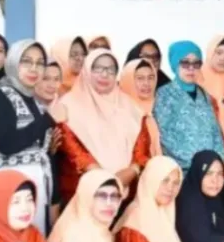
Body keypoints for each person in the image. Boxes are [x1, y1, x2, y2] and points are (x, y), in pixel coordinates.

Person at [0, 39, 66, 232]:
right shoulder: (0, 96)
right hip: (11, 190)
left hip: (36, 189)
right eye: (27, 61)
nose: (34, 68)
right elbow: (7, 144)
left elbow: (41, 154)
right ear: (13, 61)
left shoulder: (35, 102)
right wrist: (48, 119)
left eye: (40, 63)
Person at [54, 49, 153, 202]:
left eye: (110, 69)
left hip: (127, 193)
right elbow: (74, 150)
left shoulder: (130, 106)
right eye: (98, 68)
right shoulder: (67, 106)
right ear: (87, 70)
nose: (105, 74)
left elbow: (142, 147)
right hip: (83, 194)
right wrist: (107, 182)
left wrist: (132, 170)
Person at [154, 41, 224, 171]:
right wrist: (199, 163)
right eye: (185, 63)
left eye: (196, 63)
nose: (191, 68)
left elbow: (215, 132)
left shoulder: (205, 95)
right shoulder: (164, 95)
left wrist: (217, 160)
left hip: (210, 171)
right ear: (175, 64)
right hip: (182, 172)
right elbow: (164, 137)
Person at [197, 35, 224, 225]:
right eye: (219, 52)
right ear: (210, 54)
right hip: (203, 157)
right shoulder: (197, 82)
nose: (223, 58)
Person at [119, 58, 163, 157]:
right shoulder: (119, 113)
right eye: (140, 78)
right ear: (128, 81)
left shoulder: (159, 109)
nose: (146, 83)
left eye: (150, 78)